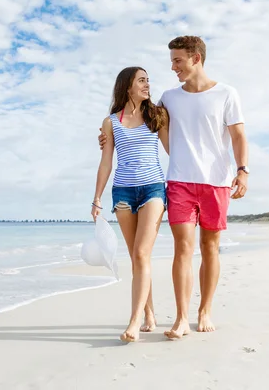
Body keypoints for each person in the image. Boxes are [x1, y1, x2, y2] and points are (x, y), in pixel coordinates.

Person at [99, 36, 250, 339]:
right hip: (179, 180)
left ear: (196, 58)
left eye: (177, 60)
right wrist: (105, 136)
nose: (172, 67)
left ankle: (204, 310)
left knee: (209, 247)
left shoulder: (227, 94)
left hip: (216, 182)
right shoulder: (168, 98)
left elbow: (238, 136)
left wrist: (242, 170)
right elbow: (136, 117)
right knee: (183, 247)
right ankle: (181, 318)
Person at [91, 67, 169, 342]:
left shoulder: (157, 115)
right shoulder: (111, 121)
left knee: (140, 253)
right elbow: (106, 162)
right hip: (123, 192)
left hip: (153, 189)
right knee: (137, 257)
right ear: (127, 87)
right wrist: (97, 197)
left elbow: (173, 149)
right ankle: (149, 314)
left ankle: (134, 321)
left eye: (148, 80)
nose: (148, 84)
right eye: (142, 80)